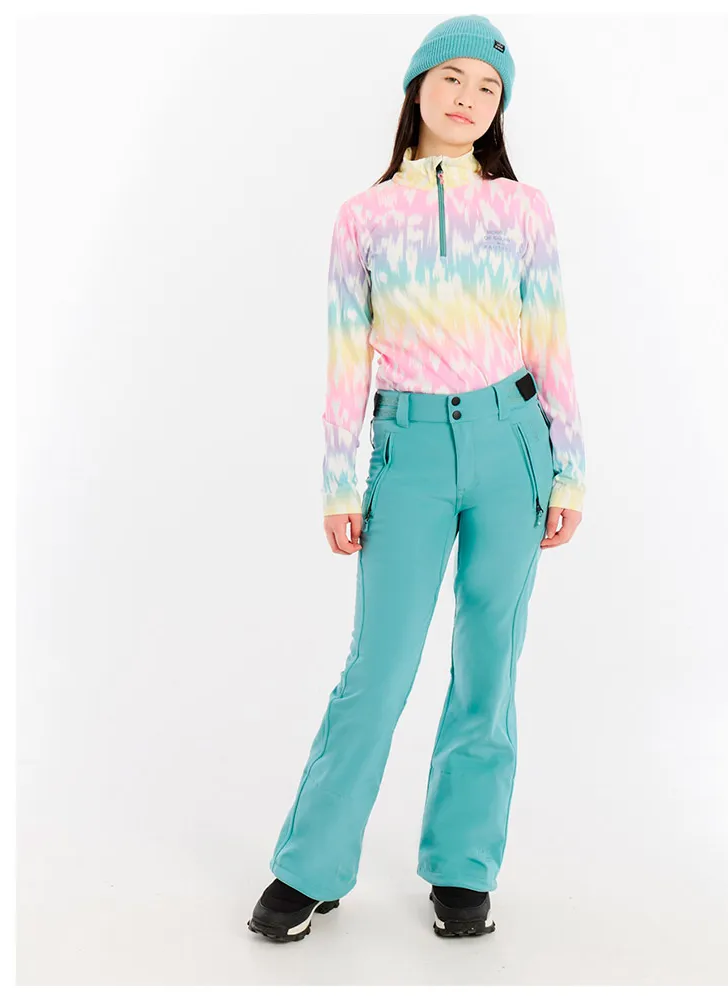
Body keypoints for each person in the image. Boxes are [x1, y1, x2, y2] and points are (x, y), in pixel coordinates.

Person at [247, 14, 586, 943]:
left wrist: (569, 469)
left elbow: (550, 337)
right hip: (407, 455)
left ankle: (463, 868)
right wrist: (338, 481)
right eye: (452, 80)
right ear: (417, 89)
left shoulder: (522, 209)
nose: (469, 99)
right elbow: (346, 353)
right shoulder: (364, 217)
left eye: (488, 87)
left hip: (513, 444)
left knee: (489, 663)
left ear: (501, 107)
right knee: (378, 668)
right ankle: (311, 866)